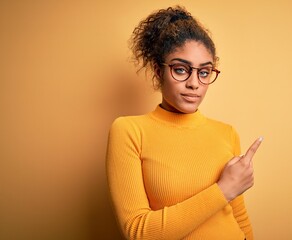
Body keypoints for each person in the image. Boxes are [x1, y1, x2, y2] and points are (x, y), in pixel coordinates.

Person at [106, 6, 263, 240]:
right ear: (159, 72)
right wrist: (223, 189)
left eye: (204, 72)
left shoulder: (227, 133)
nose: (194, 83)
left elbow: (239, 218)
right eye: (181, 69)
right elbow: (138, 232)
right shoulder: (130, 131)